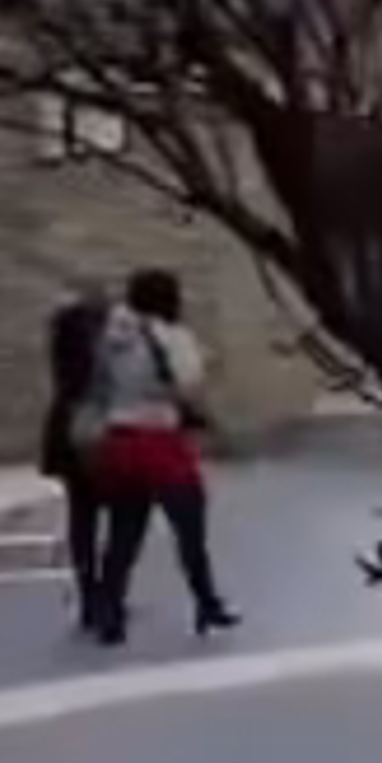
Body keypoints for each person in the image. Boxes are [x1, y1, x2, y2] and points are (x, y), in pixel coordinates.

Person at [80, 263, 237, 643]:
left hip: (120, 439)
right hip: (160, 441)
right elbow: (188, 384)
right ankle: (206, 602)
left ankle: (110, 612)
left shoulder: (111, 336)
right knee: (189, 527)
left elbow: (98, 383)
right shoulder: (172, 336)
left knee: (123, 532)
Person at [36, 277, 109, 631]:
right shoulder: (103, 336)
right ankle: (103, 594)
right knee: (114, 516)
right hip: (100, 432)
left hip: (70, 430)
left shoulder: (63, 330)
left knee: (82, 517)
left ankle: (90, 595)